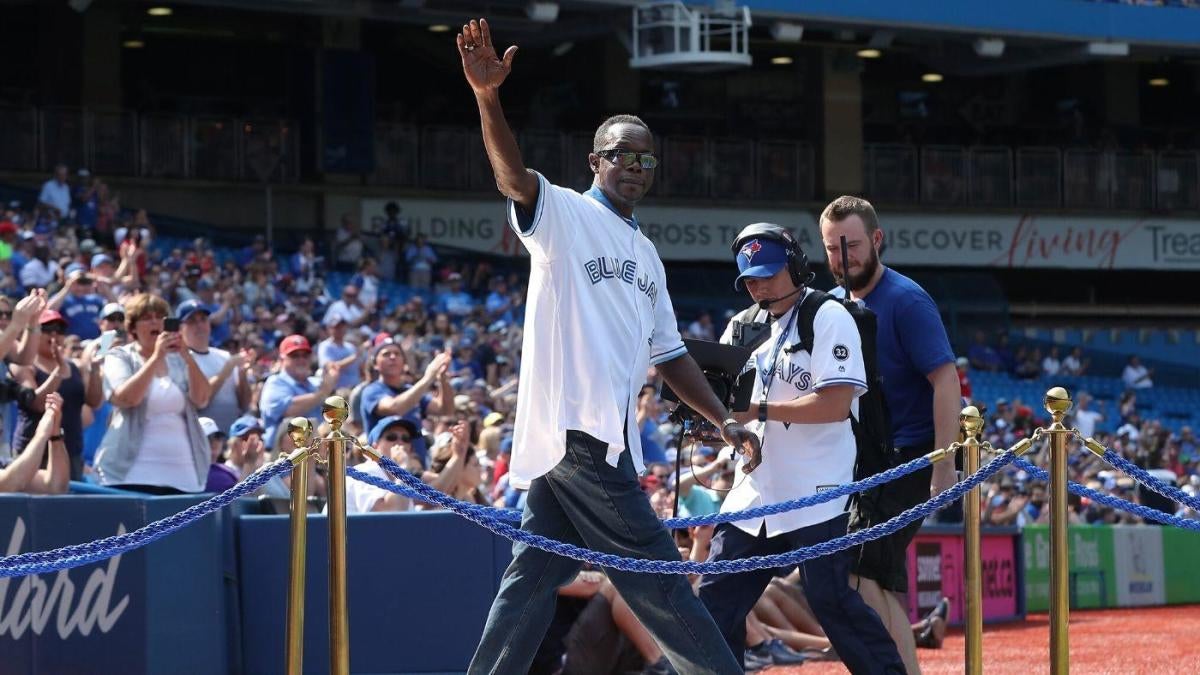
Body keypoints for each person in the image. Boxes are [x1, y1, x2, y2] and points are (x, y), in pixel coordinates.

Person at [457, 18, 757, 674]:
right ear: (595, 160)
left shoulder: (646, 253)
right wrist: (488, 98)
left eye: (646, 158)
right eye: (622, 154)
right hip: (577, 434)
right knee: (661, 581)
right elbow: (513, 177)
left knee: (529, 582)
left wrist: (725, 418)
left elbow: (671, 354)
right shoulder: (564, 213)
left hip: (601, 436)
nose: (635, 167)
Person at [699, 223, 904, 672]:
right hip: (755, 492)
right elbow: (729, 408)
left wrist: (759, 410)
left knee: (832, 602)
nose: (758, 284)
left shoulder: (829, 316)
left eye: (768, 273)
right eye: (749, 277)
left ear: (795, 266)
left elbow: (835, 403)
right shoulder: (740, 326)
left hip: (817, 490)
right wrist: (714, 423)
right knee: (714, 603)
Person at [820, 196, 960, 675]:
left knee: (860, 572)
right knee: (866, 577)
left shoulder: (907, 300)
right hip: (862, 464)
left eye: (852, 245)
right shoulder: (834, 304)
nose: (843, 258)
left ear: (877, 240)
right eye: (833, 249)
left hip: (908, 457)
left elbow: (945, 379)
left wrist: (942, 463)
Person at [94, 293, 214, 494]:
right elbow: (127, 398)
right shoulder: (120, 356)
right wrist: (156, 357)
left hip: (182, 474)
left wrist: (187, 356)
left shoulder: (180, 359)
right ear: (132, 327)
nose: (155, 322)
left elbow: (202, 399)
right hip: (130, 473)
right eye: (147, 318)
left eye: (160, 317)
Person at [9, 309, 103, 480]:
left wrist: (95, 370)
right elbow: (36, 403)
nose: (54, 334)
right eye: (47, 328)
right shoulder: (23, 365)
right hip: (33, 454)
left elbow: (94, 402)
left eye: (60, 330)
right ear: (35, 331)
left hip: (70, 452)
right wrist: (59, 373)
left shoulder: (75, 367)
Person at [178, 299, 251, 435]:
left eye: (203, 320)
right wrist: (224, 373)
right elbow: (200, 402)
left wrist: (242, 375)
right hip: (201, 439)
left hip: (230, 437)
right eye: (192, 321)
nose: (199, 325)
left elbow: (244, 404)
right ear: (180, 328)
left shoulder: (224, 355)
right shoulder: (181, 359)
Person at [258, 335, 340, 450]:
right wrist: (322, 393)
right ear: (282, 359)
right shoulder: (275, 383)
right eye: (294, 356)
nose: (301, 360)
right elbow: (288, 409)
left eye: (305, 355)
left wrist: (332, 376)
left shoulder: (316, 383)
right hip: (282, 458)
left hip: (316, 454)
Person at [0, 392, 69, 494]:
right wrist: (41, 435)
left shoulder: (4, 465)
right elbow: (12, 483)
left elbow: (56, 487)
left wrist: (55, 435)